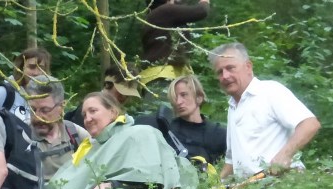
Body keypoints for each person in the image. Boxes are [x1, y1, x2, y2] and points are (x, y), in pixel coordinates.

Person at [41, 92, 198, 189]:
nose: (87, 118)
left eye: (93, 111)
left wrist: (116, 186)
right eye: (84, 115)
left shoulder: (138, 133)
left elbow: (150, 179)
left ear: (113, 112)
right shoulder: (91, 147)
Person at [209, 42, 321, 179]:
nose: (225, 76)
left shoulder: (270, 92)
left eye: (230, 68)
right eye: (220, 72)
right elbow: (232, 160)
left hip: (283, 183)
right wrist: (217, 186)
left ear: (248, 67)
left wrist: (285, 155)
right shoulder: (233, 106)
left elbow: (310, 124)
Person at [136, 75, 226, 166]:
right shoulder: (167, 130)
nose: (179, 102)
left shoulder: (218, 134)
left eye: (184, 95)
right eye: (175, 97)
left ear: (199, 98)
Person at [25, 75, 90, 181]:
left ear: (62, 106)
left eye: (45, 110)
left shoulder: (75, 134)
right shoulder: (21, 135)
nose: (37, 117)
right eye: (32, 109)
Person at [139, 0, 210, 91]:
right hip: (164, 77)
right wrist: (204, 2)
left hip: (157, 76)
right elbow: (201, 11)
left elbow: (182, 6)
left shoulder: (157, 16)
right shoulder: (165, 10)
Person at [0, 47, 52, 123]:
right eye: (31, 67)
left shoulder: (44, 97)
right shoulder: (3, 92)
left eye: (41, 68)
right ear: (21, 68)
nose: (36, 73)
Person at [65, 65, 141, 128]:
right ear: (107, 85)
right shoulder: (88, 110)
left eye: (128, 95)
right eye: (121, 93)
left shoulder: (122, 115)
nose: (124, 98)